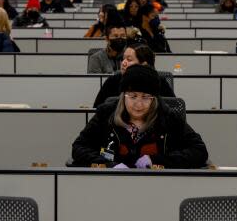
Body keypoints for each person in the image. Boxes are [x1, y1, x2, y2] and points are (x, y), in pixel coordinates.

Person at [73, 64, 208, 168]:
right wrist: (109, 166)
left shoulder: (167, 116)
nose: (138, 104)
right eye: (133, 96)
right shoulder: (106, 113)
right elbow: (79, 147)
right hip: (110, 184)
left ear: (154, 99)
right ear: (123, 95)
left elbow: (199, 150)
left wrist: (156, 160)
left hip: (159, 185)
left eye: (145, 97)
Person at [93, 44, 176, 107]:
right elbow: (97, 108)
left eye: (129, 60)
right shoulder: (112, 81)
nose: (123, 63)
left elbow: (174, 108)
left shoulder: (160, 82)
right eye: (123, 59)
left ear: (143, 65)